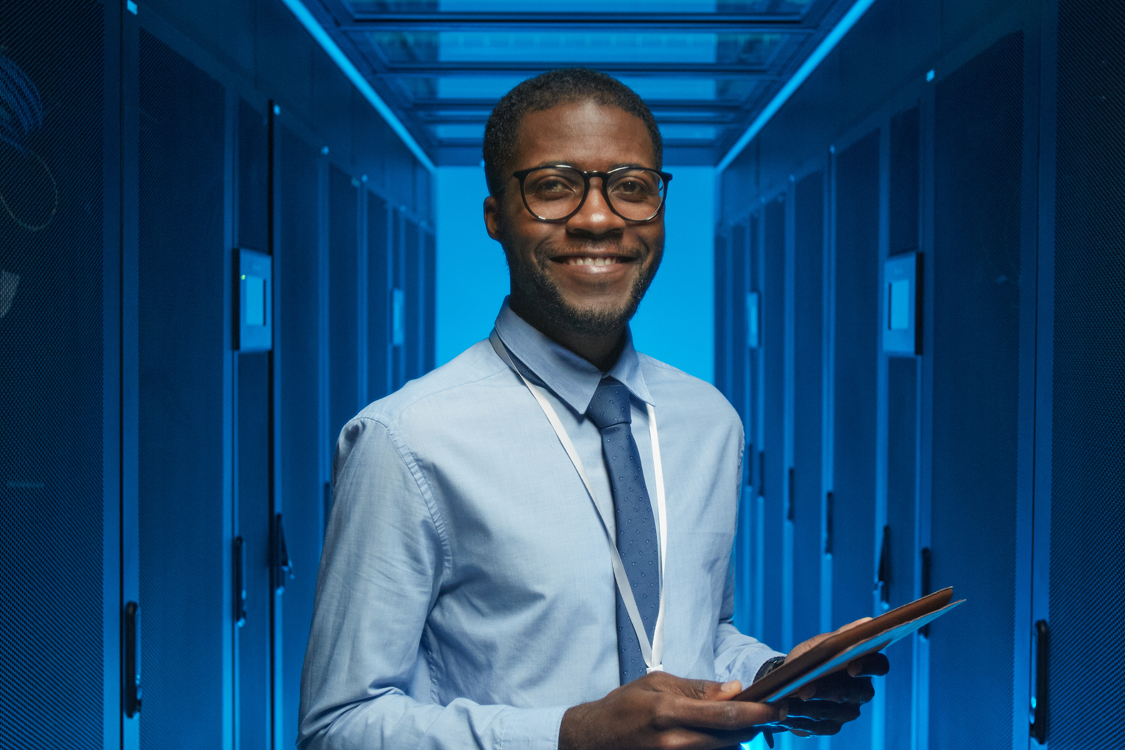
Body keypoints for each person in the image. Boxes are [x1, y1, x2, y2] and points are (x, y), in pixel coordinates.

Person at [298, 68, 888, 750]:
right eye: (553, 186)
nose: (599, 218)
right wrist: (570, 734)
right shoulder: (406, 440)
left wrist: (774, 675)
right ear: (495, 216)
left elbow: (695, 633)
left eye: (631, 188)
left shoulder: (708, 421)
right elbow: (337, 728)